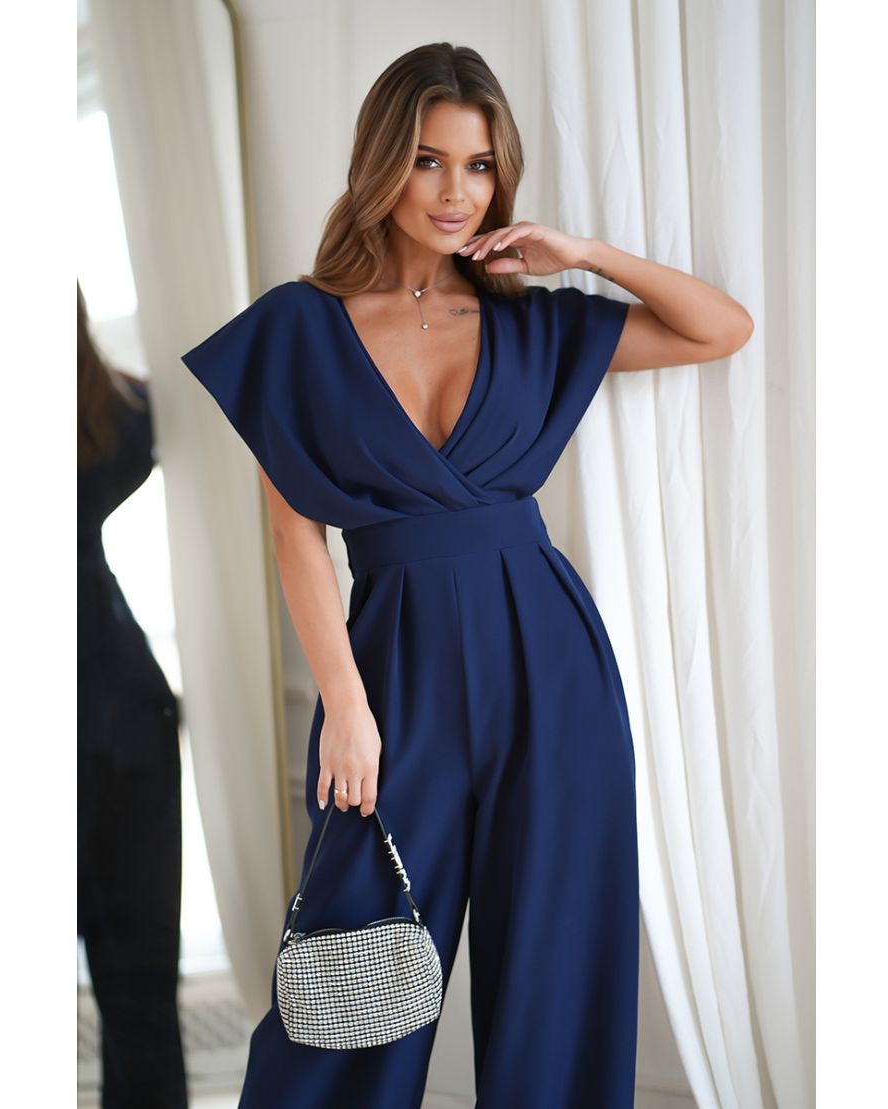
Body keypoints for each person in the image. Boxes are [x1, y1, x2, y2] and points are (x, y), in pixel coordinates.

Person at [180, 42, 752, 1109]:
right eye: (429, 161)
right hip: (391, 678)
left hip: (551, 670)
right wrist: (346, 706)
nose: (456, 192)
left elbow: (721, 328)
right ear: (382, 164)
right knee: (348, 987)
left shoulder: (534, 321)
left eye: (480, 165)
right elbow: (296, 532)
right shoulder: (299, 328)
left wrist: (581, 252)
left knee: (556, 982)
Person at [78, 281, 189, 1108]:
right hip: (123, 716)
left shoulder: (116, 412)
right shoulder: (125, 415)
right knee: (142, 992)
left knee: (142, 991)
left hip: (119, 725)